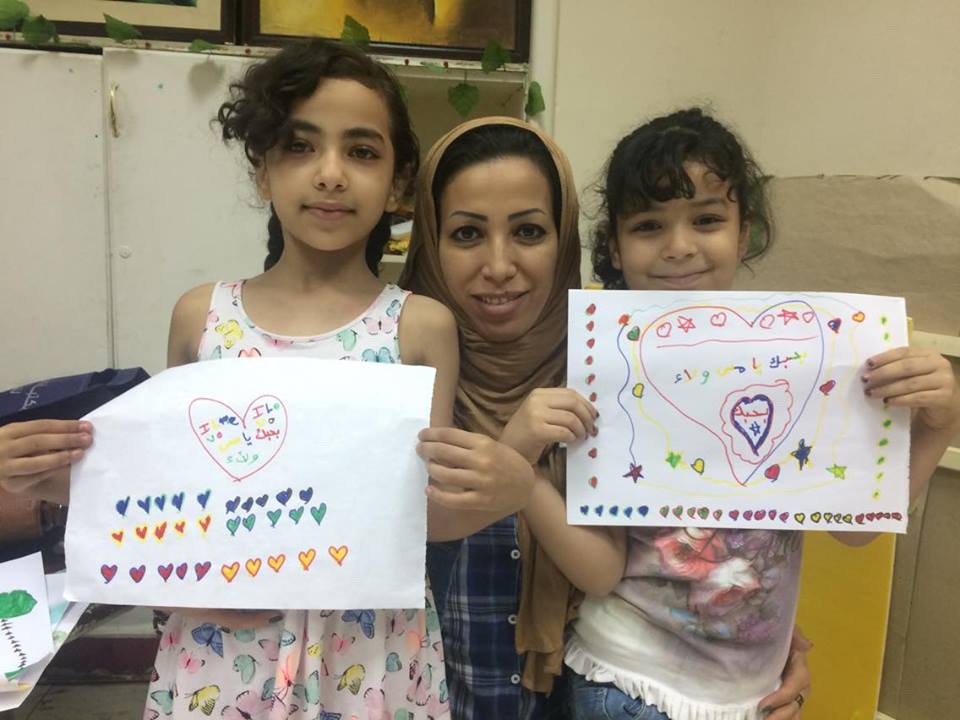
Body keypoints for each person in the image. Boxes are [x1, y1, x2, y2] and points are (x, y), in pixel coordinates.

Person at [401, 117, 812, 720]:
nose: (499, 265)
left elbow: (712, 540)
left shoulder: (616, 367)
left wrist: (757, 662)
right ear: (430, 243)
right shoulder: (399, 369)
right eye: (466, 233)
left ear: (565, 239)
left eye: (529, 231)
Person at [563, 107, 960, 720]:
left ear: (743, 233)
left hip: (748, 690)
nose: (679, 247)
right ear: (614, 245)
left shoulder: (804, 358)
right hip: (628, 679)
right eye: (648, 225)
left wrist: (938, 425)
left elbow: (856, 529)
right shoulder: (602, 362)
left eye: (707, 219)